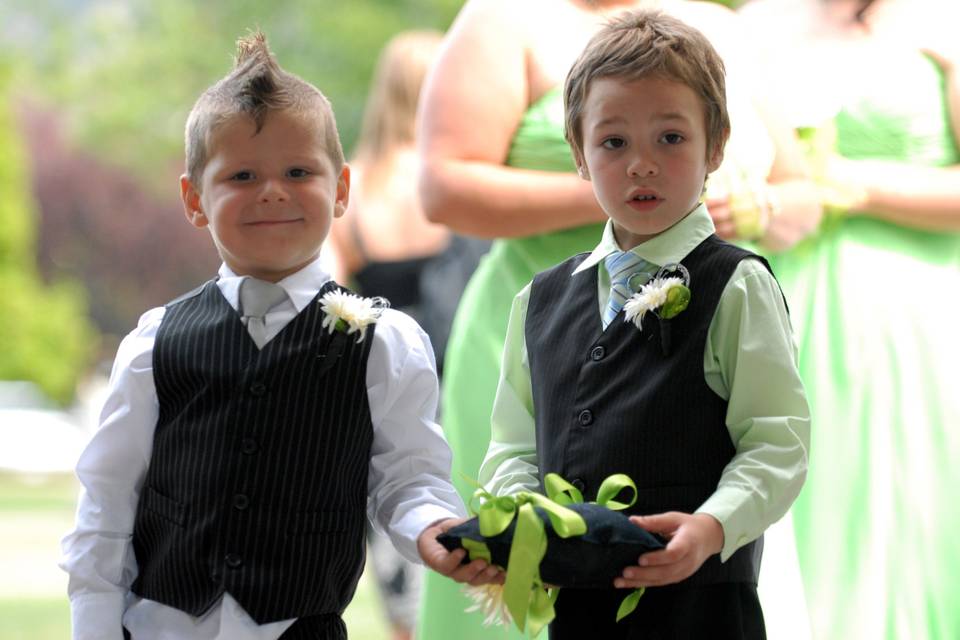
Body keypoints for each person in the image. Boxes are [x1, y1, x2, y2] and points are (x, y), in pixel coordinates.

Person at [59, 32, 501, 640]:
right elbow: (106, 507)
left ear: (341, 189)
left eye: (299, 171)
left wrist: (433, 529)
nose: (273, 190)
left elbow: (409, 479)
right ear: (195, 199)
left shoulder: (386, 344)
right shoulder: (153, 345)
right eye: (242, 174)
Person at [415, 1, 820, 637]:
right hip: (578, 610)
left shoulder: (736, 286)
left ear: (716, 146)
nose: (641, 163)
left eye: (671, 137)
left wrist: (714, 526)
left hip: (701, 606)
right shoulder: (539, 299)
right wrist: (524, 521)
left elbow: (777, 439)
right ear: (578, 153)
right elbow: (514, 445)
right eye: (613, 142)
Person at [736, 1, 960, 637]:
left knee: (918, 498)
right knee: (812, 497)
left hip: (924, 310)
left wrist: (854, 184)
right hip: (786, 297)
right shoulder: (753, 22)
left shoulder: (945, 21)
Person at [325, 30, 487, 640]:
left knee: (403, 572)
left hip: (380, 393)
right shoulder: (452, 183)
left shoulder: (351, 188)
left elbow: (332, 302)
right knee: (467, 556)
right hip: (458, 384)